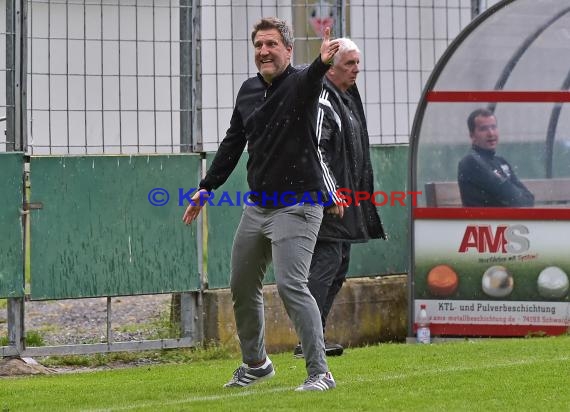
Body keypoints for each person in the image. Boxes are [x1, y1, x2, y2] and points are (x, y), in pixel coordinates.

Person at [182, 17, 339, 391]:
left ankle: (321, 373)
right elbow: (233, 142)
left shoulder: (301, 83)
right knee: (240, 284)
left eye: (272, 44)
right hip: (257, 205)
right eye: (258, 46)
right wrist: (207, 187)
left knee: (291, 285)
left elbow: (312, 77)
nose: (264, 51)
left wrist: (322, 62)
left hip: (298, 204)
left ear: (288, 49)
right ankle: (256, 365)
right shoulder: (248, 91)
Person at [292, 38, 386, 359]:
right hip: (326, 202)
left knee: (338, 265)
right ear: (330, 68)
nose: (357, 69)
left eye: (358, 63)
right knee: (326, 264)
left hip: (345, 201)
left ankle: (313, 336)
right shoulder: (322, 99)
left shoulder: (345, 97)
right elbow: (315, 149)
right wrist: (330, 192)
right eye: (350, 63)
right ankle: (309, 340)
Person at [458, 108, 534, 207]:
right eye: (483, 129)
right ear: (472, 136)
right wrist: (517, 196)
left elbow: (529, 200)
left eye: (493, 127)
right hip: (484, 221)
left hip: (505, 220)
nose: (491, 133)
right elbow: (511, 197)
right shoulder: (471, 162)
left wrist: (517, 197)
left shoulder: (501, 162)